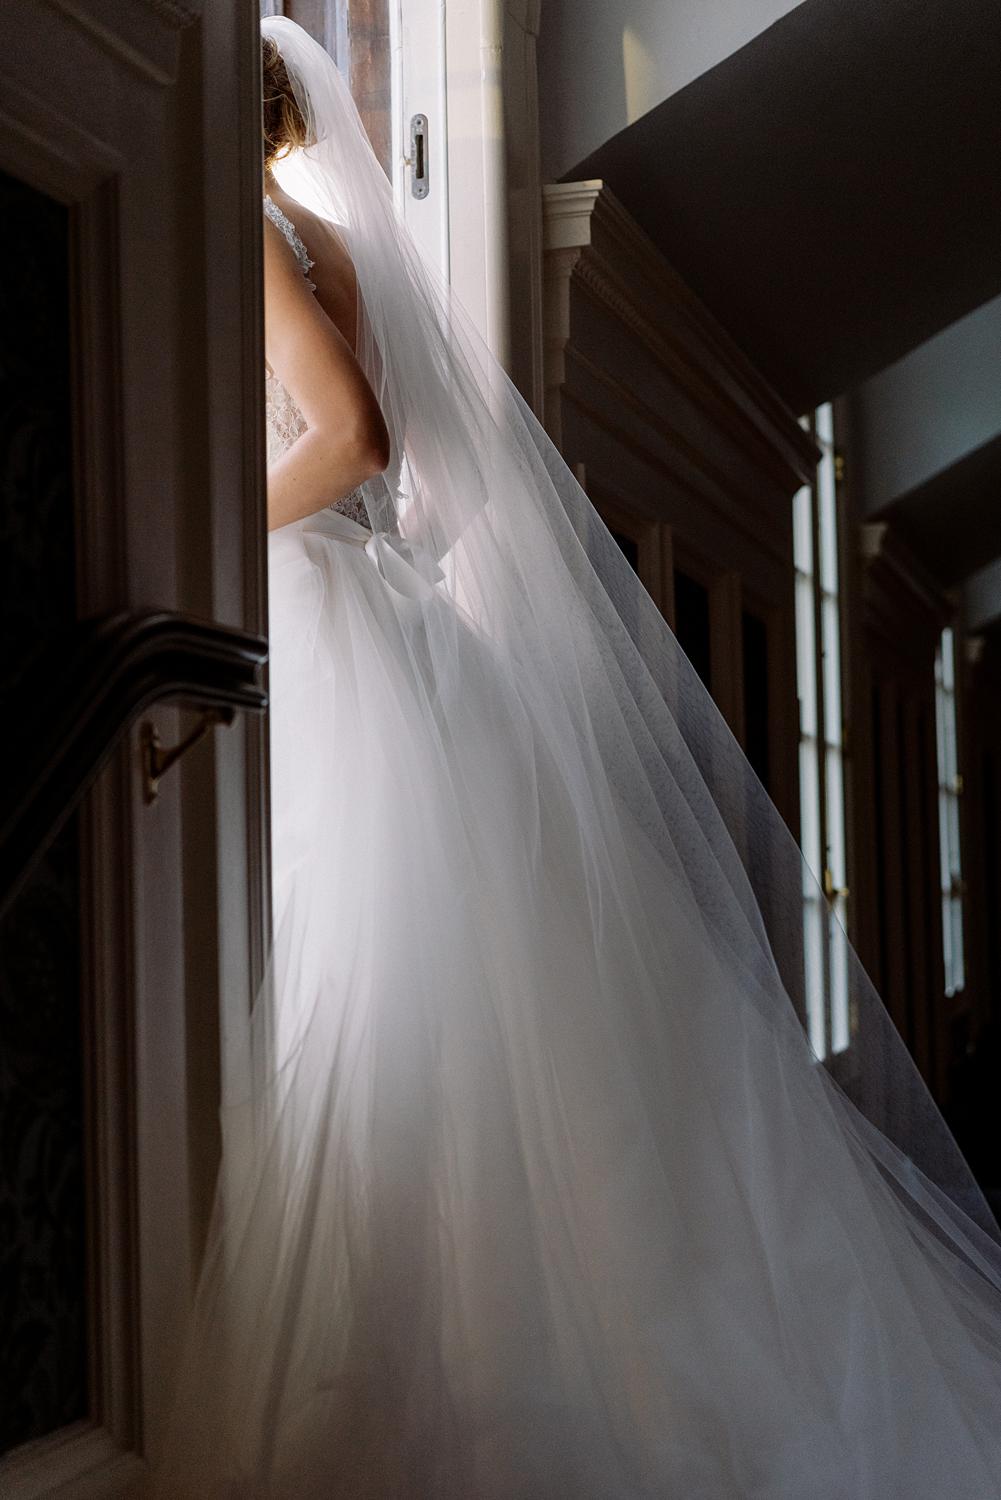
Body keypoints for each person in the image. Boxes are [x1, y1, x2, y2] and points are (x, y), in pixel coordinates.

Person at [144, 17, 1001, 1497]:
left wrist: (201, 534)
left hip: (317, 621)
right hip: (366, 626)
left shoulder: (244, 232)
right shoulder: (310, 226)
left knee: (372, 1020)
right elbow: (423, 470)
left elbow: (348, 438)